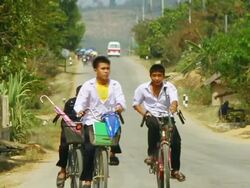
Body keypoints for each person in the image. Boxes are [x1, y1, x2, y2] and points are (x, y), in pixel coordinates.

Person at [74, 56, 126, 188]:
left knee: (115, 132)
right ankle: (87, 180)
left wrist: (120, 106)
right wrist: (80, 110)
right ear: (95, 70)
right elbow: (80, 102)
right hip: (92, 120)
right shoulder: (88, 85)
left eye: (108, 68)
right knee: (90, 148)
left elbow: (121, 100)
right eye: (103, 68)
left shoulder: (115, 85)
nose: (106, 71)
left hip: (109, 119)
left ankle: (111, 153)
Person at [132, 64, 185, 182]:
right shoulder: (142, 88)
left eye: (159, 75)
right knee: (153, 126)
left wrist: (173, 106)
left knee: (176, 141)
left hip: (167, 116)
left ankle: (175, 170)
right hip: (151, 116)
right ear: (150, 76)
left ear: (163, 76)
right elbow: (136, 104)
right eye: (154, 75)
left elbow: (174, 100)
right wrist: (144, 113)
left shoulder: (169, 87)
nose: (157, 78)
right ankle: (151, 154)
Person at [54, 85, 82, 188]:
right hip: (71, 130)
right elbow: (65, 119)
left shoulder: (90, 104)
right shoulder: (70, 103)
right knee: (64, 145)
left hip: (84, 130)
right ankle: (62, 170)